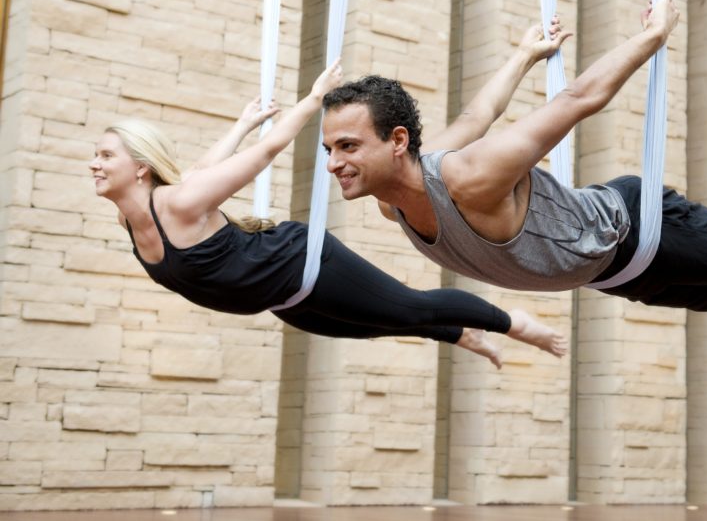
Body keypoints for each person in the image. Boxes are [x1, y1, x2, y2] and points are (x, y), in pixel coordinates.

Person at [319, 0, 707, 326]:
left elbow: (578, 99)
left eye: (348, 146)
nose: (334, 163)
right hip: (614, 273)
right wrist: (524, 55)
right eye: (329, 150)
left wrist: (651, 38)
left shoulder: (468, 177)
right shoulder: (395, 203)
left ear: (397, 141)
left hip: (635, 227)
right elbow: (478, 112)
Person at [90, 62, 568, 369]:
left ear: (141, 168)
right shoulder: (135, 218)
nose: (95, 164)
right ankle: (463, 336)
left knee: (409, 308)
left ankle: (513, 323)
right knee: (375, 325)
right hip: (284, 298)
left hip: (303, 264)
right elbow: (200, 170)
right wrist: (241, 124)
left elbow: (267, 152)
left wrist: (315, 99)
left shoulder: (177, 205)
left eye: (106, 155)